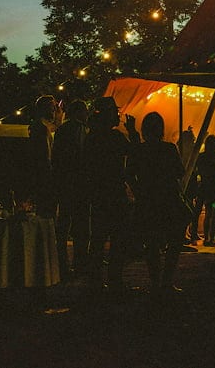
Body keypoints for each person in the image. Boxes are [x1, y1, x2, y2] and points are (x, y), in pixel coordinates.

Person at [128, 112, 187, 297]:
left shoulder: (139, 150)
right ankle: (167, 281)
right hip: (168, 200)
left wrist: (139, 192)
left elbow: (129, 174)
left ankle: (155, 282)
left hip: (147, 201)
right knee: (174, 241)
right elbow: (180, 172)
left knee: (151, 243)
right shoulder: (169, 149)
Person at [85, 97, 138, 294]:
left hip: (98, 194)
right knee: (118, 238)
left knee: (98, 239)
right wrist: (133, 132)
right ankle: (114, 280)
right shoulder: (114, 137)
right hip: (114, 193)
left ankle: (95, 281)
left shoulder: (91, 137)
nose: (118, 116)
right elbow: (135, 152)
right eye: (115, 113)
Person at [51, 99, 90, 277]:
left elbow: (56, 157)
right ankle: (80, 263)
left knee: (63, 225)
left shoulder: (60, 130)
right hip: (78, 183)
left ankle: (61, 263)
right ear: (79, 113)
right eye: (85, 111)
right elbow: (81, 155)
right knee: (81, 226)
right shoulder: (79, 129)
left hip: (63, 183)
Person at [24, 95, 62, 217]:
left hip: (41, 179)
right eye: (51, 108)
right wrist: (50, 179)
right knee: (46, 216)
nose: (53, 111)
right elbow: (45, 157)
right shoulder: (40, 128)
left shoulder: (39, 126)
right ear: (43, 109)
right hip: (44, 180)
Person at [196, 134, 215, 246]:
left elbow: (200, 171)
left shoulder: (201, 157)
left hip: (206, 188)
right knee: (214, 213)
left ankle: (206, 238)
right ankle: (211, 238)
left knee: (208, 213)